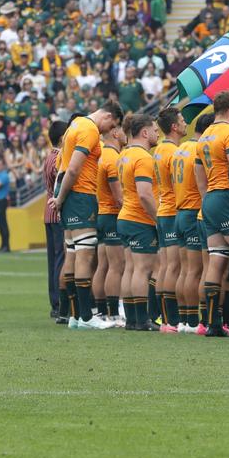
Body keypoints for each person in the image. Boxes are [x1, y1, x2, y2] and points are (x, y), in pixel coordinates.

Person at [48, 102, 125, 330]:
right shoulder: (89, 130)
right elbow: (73, 168)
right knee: (84, 255)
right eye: (114, 124)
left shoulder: (75, 125)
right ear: (109, 116)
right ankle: (86, 317)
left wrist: (59, 195)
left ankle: (75, 316)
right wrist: (60, 198)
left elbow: (63, 164)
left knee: (72, 254)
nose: (112, 130)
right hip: (80, 194)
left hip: (70, 194)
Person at [196, 91, 229, 337]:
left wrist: (207, 203)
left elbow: (199, 176)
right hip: (227, 195)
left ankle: (213, 322)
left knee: (216, 261)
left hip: (210, 200)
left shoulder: (204, 136)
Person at [117, 113, 160, 331]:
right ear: (144, 132)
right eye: (154, 129)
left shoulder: (124, 154)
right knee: (142, 269)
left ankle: (132, 320)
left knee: (131, 269)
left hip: (125, 216)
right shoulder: (143, 158)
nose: (157, 133)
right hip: (139, 219)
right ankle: (142, 320)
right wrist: (158, 219)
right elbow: (145, 194)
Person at [173, 113, 213, 334]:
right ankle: (196, 320)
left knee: (185, 270)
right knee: (197, 270)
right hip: (192, 211)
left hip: (179, 211)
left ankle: (184, 319)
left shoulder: (180, 149)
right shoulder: (199, 150)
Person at [154, 107, 185, 333]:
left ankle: (165, 319)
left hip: (163, 210)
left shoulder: (158, 150)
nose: (185, 123)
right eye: (182, 120)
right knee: (174, 266)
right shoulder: (174, 153)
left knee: (166, 266)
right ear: (174, 126)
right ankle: (172, 319)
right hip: (173, 210)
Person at [93, 120, 126, 326]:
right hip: (112, 213)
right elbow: (119, 196)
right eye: (123, 130)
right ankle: (113, 314)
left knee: (103, 265)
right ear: (114, 132)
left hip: (100, 213)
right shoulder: (113, 157)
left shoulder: (99, 155)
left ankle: (101, 311)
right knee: (116, 266)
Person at [42, 121, 67, 320]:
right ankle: (59, 302)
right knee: (60, 259)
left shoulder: (49, 156)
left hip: (47, 212)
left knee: (53, 260)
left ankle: (54, 301)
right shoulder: (59, 157)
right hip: (56, 211)